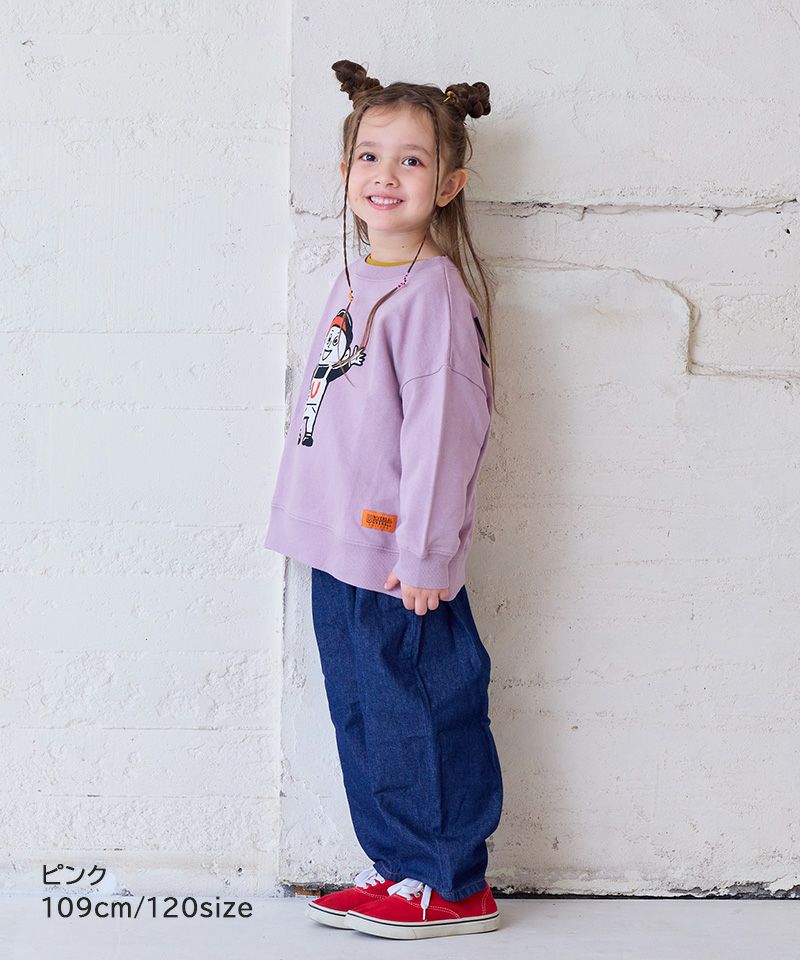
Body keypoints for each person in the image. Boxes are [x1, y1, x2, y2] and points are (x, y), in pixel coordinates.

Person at [262, 58, 504, 940]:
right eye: (370, 156)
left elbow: (444, 433)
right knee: (365, 712)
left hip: (398, 555)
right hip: (338, 544)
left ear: (449, 184)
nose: (386, 175)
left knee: (422, 713)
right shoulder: (357, 274)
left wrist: (428, 553)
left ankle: (449, 883)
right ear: (344, 172)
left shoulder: (432, 294)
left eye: (411, 160)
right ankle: (399, 867)